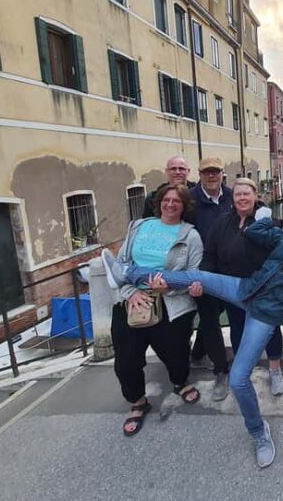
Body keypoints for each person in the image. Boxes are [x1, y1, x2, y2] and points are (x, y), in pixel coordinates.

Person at [104, 211, 283, 468]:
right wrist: (278, 223)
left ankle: (259, 433)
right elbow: (252, 232)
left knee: (238, 380)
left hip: (267, 314)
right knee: (199, 276)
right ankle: (128, 272)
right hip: (246, 288)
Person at [109, 183, 202, 437]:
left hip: (170, 302)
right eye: (166, 200)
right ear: (158, 202)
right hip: (133, 301)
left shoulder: (190, 235)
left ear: (184, 206)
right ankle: (137, 401)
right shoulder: (138, 227)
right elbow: (121, 265)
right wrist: (131, 293)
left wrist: (167, 290)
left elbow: (193, 276)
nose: (171, 204)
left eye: (177, 201)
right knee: (126, 360)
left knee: (176, 352)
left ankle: (180, 382)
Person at [200, 179, 283, 397]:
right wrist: (205, 278)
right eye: (238, 194)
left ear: (255, 195)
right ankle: (242, 373)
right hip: (234, 288)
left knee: (271, 330)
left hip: (263, 289)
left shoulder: (266, 220)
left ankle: (275, 371)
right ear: (233, 197)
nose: (242, 198)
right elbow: (210, 254)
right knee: (237, 328)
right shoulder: (221, 223)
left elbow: (281, 247)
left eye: (247, 193)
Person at [187, 157, 234, 401]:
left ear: (222, 173)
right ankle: (220, 370)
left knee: (229, 317)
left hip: (231, 271)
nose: (212, 176)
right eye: (207, 172)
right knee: (209, 320)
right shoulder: (191, 199)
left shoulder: (232, 196)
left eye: (216, 171)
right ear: (200, 174)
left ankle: (197, 354)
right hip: (202, 270)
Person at [142, 156, 196, 221]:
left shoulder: (198, 195)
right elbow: (148, 223)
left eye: (181, 169)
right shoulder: (153, 198)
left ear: (188, 171)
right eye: (173, 169)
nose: (177, 172)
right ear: (167, 171)